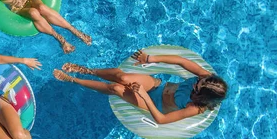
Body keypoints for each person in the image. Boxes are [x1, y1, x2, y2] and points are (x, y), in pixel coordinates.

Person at [53, 49, 227, 124]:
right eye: (201, 79)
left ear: (201, 95)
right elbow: (181, 61)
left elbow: (162, 120)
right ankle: (88, 70)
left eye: (198, 85)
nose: (197, 80)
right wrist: (150, 59)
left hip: (153, 103)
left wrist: (143, 95)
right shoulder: (206, 77)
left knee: (115, 88)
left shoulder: (196, 107)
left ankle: (73, 80)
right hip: (159, 85)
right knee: (122, 76)